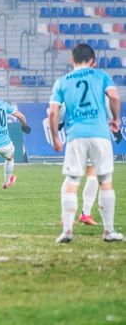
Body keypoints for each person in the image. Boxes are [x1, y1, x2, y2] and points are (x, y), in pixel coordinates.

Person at [49, 43, 123, 243]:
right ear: (92, 60)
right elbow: (115, 97)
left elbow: (53, 112)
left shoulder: (62, 82)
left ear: (72, 60)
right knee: (105, 180)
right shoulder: (101, 76)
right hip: (100, 134)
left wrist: (55, 138)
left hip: (76, 135)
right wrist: (116, 119)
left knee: (72, 180)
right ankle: (108, 232)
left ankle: (67, 231)